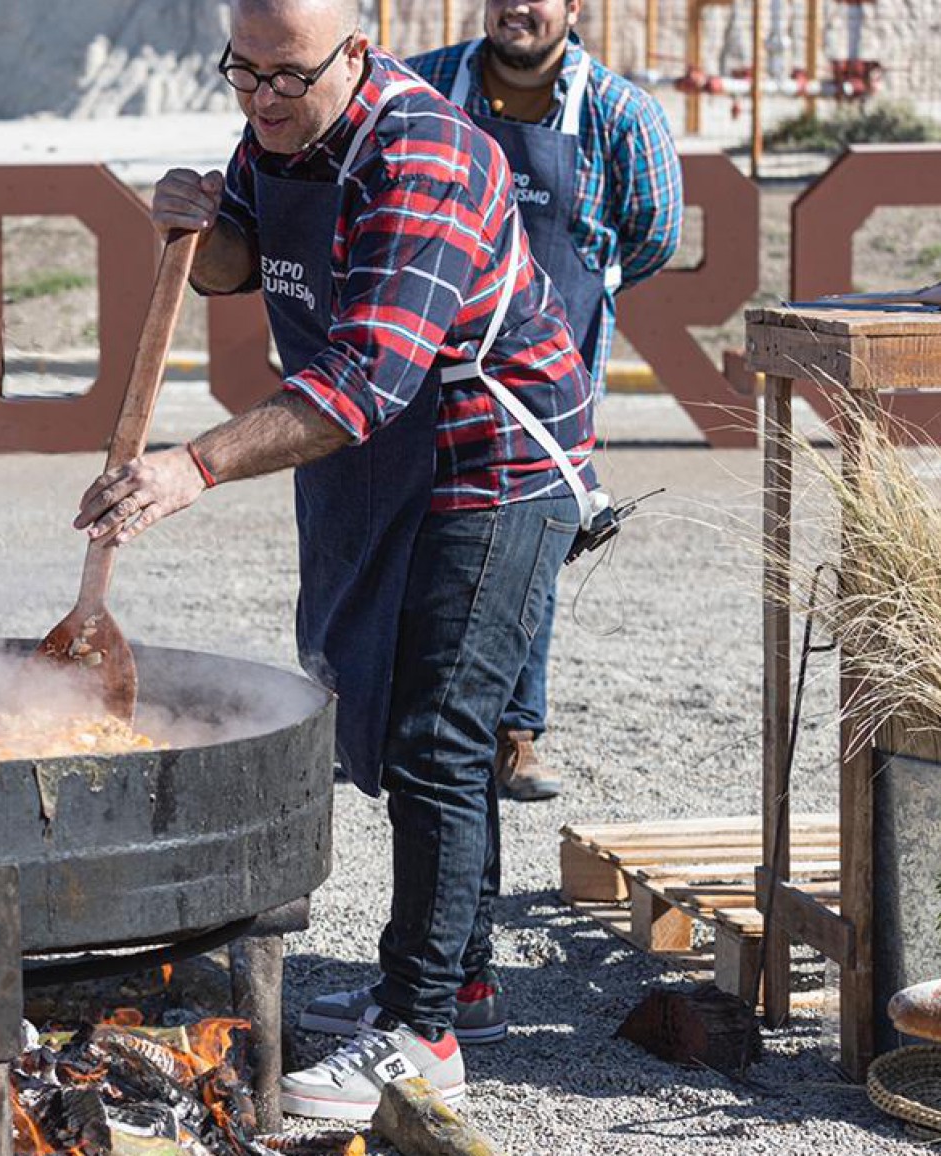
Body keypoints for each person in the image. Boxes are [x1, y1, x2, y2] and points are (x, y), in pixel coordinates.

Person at [76, 0, 599, 1121]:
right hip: (381, 452)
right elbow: (236, 269)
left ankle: (423, 1034)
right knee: (392, 706)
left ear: (357, 54)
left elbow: (367, 380)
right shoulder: (279, 128)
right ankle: (454, 976)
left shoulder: (426, 154)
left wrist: (194, 468)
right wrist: (195, 226)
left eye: (287, 75)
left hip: (494, 452)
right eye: (242, 72)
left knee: (439, 735)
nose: (262, 97)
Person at [409, 0, 682, 801]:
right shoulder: (428, 83)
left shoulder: (621, 114)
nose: (516, 7)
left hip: (544, 386)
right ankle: (407, 722)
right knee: (414, 538)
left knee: (530, 552)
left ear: (573, 8)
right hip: (429, 367)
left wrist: (572, 290)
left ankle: (516, 735)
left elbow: (653, 235)